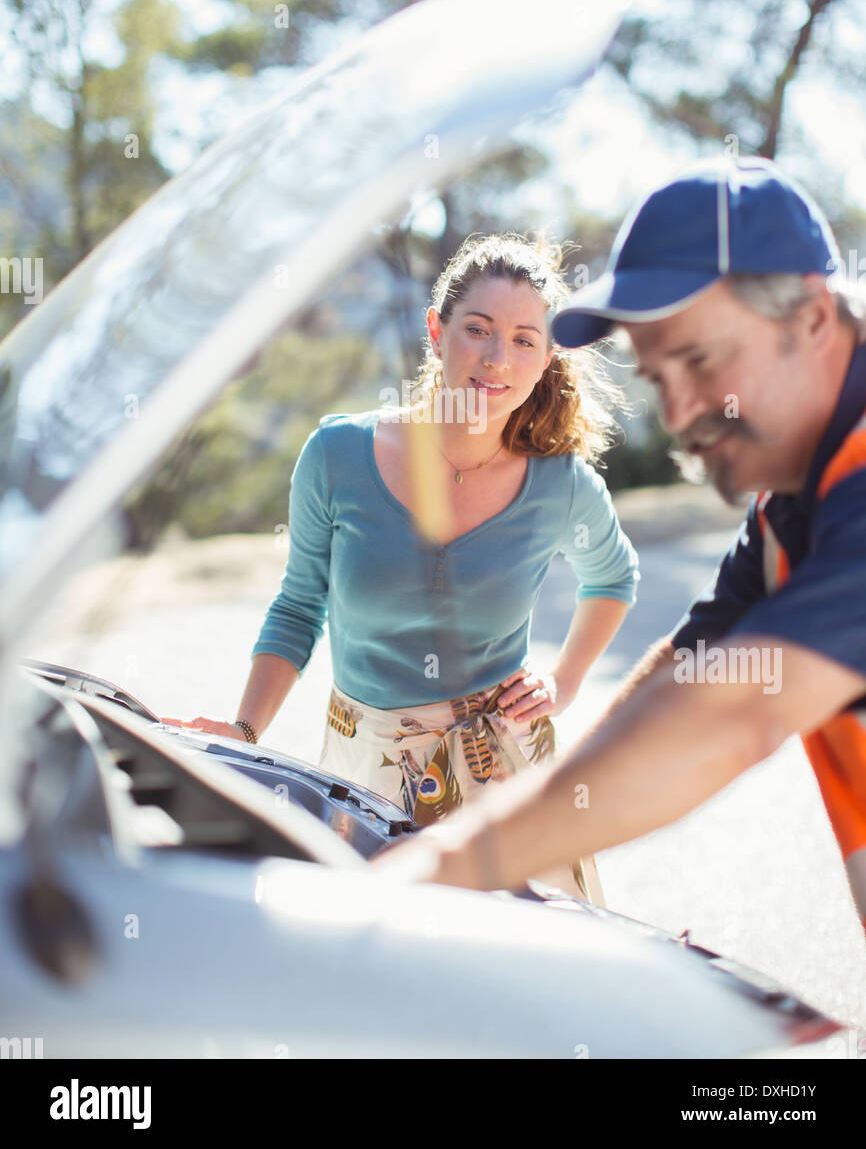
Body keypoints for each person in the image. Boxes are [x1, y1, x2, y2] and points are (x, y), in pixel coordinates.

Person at [371, 156, 866, 940]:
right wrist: (459, 847)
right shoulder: (797, 501)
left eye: (700, 361)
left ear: (811, 318)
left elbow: (733, 718)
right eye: (658, 376)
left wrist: (417, 882)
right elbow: (693, 677)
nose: (682, 414)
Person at [162, 232, 639, 903]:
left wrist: (564, 680)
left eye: (525, 340)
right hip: (364, 774)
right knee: (380, 977)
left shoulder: (560, 485)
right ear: (436, 330)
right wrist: (244, 732)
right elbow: (299, 606)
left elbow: (613, 578)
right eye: (478, 330)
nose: (497, 358)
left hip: (503, 775)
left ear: (547, 358)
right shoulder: (337, 456)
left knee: (519, 979)